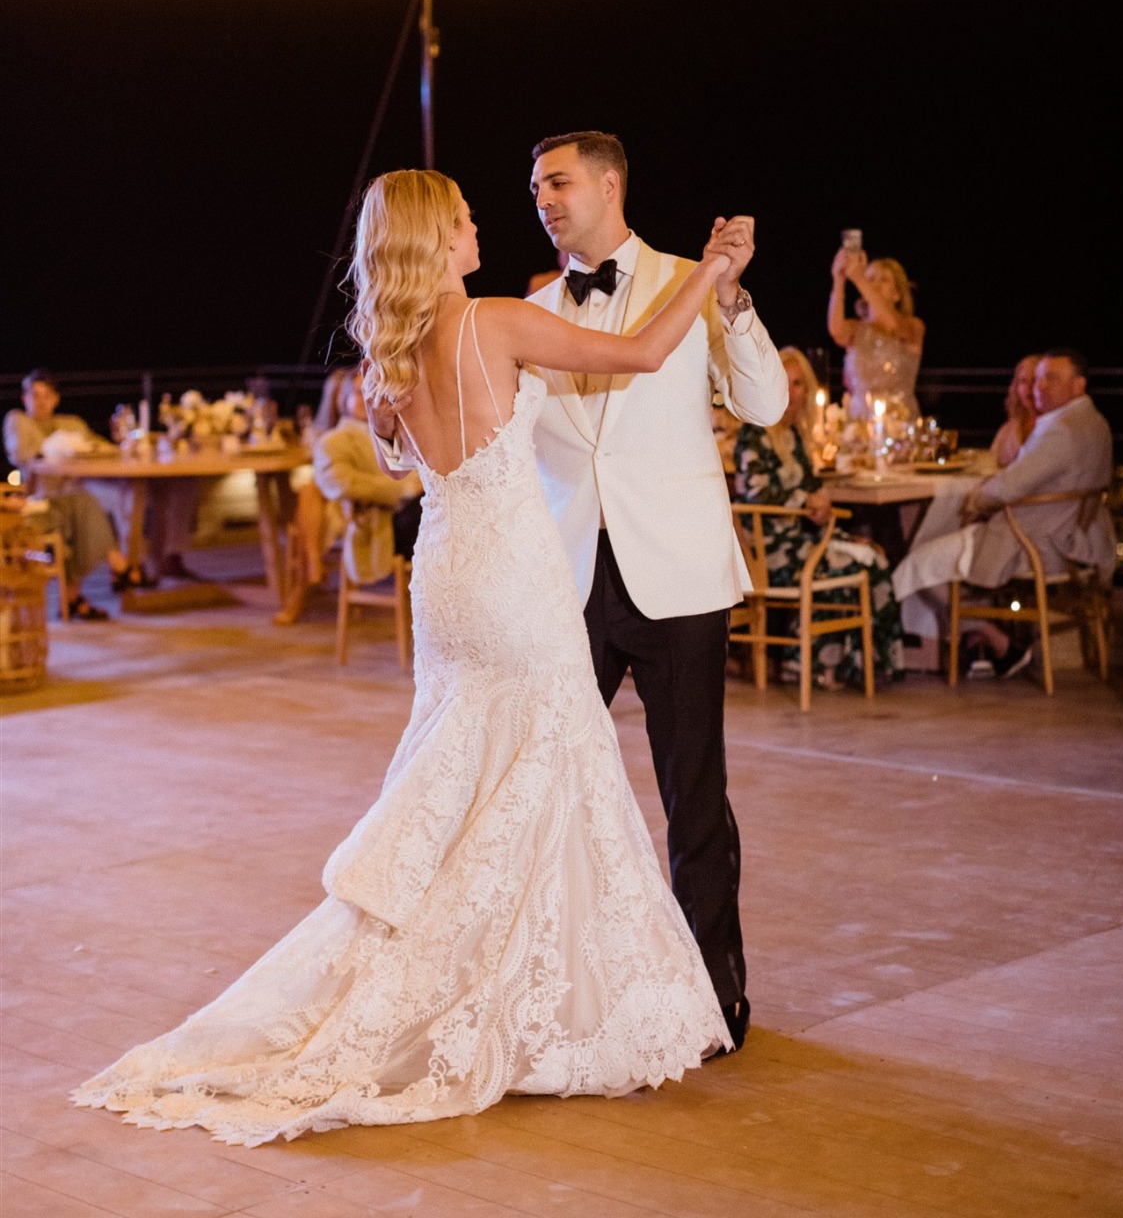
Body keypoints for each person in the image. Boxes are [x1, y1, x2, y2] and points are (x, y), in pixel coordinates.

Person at [73, 167, 737, 1144]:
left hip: (446, 583)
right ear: (434, 238)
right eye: (465, 218)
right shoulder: (495, 323)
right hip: (512, 583)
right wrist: (711, 267)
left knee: (463, 779)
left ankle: (491, 991)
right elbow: (636, 351)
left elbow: (396, 455)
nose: (479, 228)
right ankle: (533, 1008)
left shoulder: (393, 353)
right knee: (542, 777)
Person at [525, 130, 788, 1053]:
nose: (543, 198)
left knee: (693, 792)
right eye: (534, 186)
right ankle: (557, 987)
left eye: (556, 181)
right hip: (569, 579)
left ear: (607, 184)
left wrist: (735, 297)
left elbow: (763, 405)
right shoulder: (531, 305)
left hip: (674, 574)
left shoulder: (694, 280)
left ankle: (715, 999)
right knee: (545, 780)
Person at [893, 350, 1116, 679]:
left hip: (1035, 546)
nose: (1039, 387)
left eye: (1051, 378)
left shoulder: (1060, 430)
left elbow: (1008, 487)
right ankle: (988, 639)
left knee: (915, 564)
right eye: (1037, 378)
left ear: (1078, 385)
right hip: (1072, 543)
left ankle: (983, 634)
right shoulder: (1096, 423)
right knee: (944, 554)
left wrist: (976, 500)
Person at [734, 346, 905, 687]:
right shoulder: (753, 433)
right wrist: (806, 500)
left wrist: (824, 507)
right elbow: (757, 492)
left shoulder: (794, 436)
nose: (791, 392)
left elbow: (813, 488)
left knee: (872, 556)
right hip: (771, 550)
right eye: (785, 381)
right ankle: (813, 665)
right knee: (856, 564)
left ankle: (859, 664)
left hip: (805, 537)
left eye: (799, 384)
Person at [4, 372, 130, 619]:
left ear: (56, 399)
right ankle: (119, 565)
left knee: (84, 507)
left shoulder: (69, 424)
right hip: (38, 505)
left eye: (46, 396)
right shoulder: (18, 421)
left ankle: (73, 600)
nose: (39, 402)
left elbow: (101, 448)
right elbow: (22, 451)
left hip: (68, 505)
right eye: (34, 395)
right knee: (82, 502)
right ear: (24, 398)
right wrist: (61, 446)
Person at [312, 366, 422, 581]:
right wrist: (405, 488)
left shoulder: (398, 434)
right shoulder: (334, 441)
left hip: (411, 513)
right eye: (358, 392)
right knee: (428, 508)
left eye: (373, 391)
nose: (366, 398)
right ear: (343, 399)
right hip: (378, 523)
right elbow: (341, 483)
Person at [827, 246, 924, 419]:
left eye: (884, 280)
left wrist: (859, 278)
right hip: (860, 423)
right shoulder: (856, 329)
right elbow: (836, 331)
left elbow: (894, 325)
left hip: (899, 421)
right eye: (871, 279)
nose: (876, 284)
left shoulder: (913, 326)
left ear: (897, 294)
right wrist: (839, 279)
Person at [992, 354, 1040, 468]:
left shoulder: (1057, 426)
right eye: (1023, 381)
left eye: (1035, 380)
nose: (1029, 387)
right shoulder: (1007, 431)